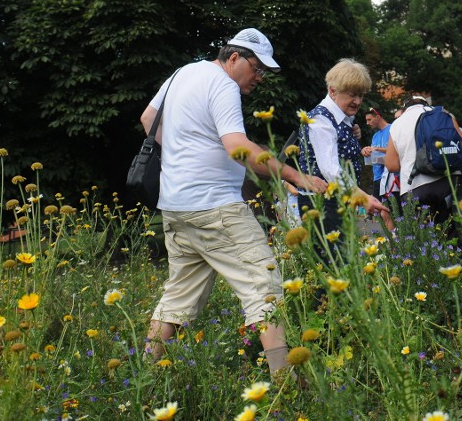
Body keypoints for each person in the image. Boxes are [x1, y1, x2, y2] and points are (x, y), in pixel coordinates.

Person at [140, 28, 326, 375]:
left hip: (176, 206)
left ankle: (144, 381)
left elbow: (149, 119)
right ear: (235, 57)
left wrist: (187, 152)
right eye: (257, 68)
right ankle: (285, 389)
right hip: (216, 207)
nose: (260, 78)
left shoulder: (181, 73)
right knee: (266, 290)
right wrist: (295, 176)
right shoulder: (223, 85)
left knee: (177, 298)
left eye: (265, 73)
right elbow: (237, 147)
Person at [296, 59, 387, 250]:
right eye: (352, 95)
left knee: (343, 263)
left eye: (361, 95)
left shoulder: (342, 120)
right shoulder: (320, 119)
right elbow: (330, 169)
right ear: (332, 90)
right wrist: (362, 197)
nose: (358, 102)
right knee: (333, 263)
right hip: (320, 204)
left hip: (335, 202)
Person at [384, 96, 462, 246]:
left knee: (423, 241)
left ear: (405, 108)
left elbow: (391, 165)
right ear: (426, 104)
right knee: (457, 235)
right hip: (450, 182)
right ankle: (459, 266)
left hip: (415, 187)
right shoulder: (444, 114)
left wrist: (410, 164)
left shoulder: (398, 124)